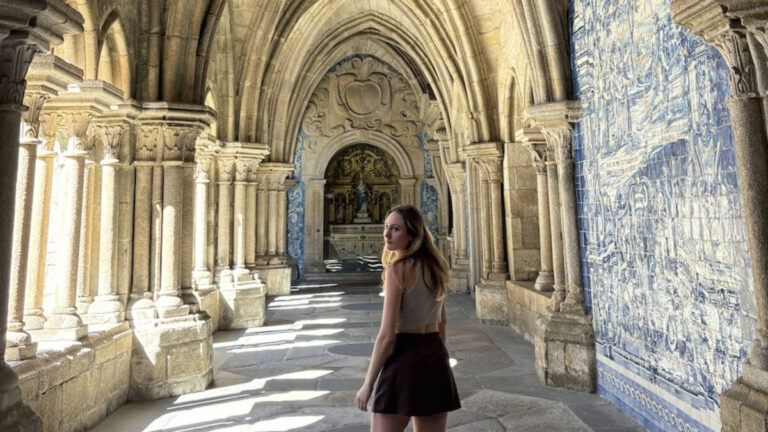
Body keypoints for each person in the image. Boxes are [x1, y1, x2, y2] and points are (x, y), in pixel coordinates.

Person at [355, 205, 460, 431]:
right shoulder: (437, 267)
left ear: (412, 235)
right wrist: (436, 358)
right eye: (386, 227)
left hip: (404, 359)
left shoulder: (398, 270)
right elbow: (442, 322)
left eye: (395, 229)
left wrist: (368, 384)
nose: (386, 234)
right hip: (434, 357)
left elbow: (386, 336)